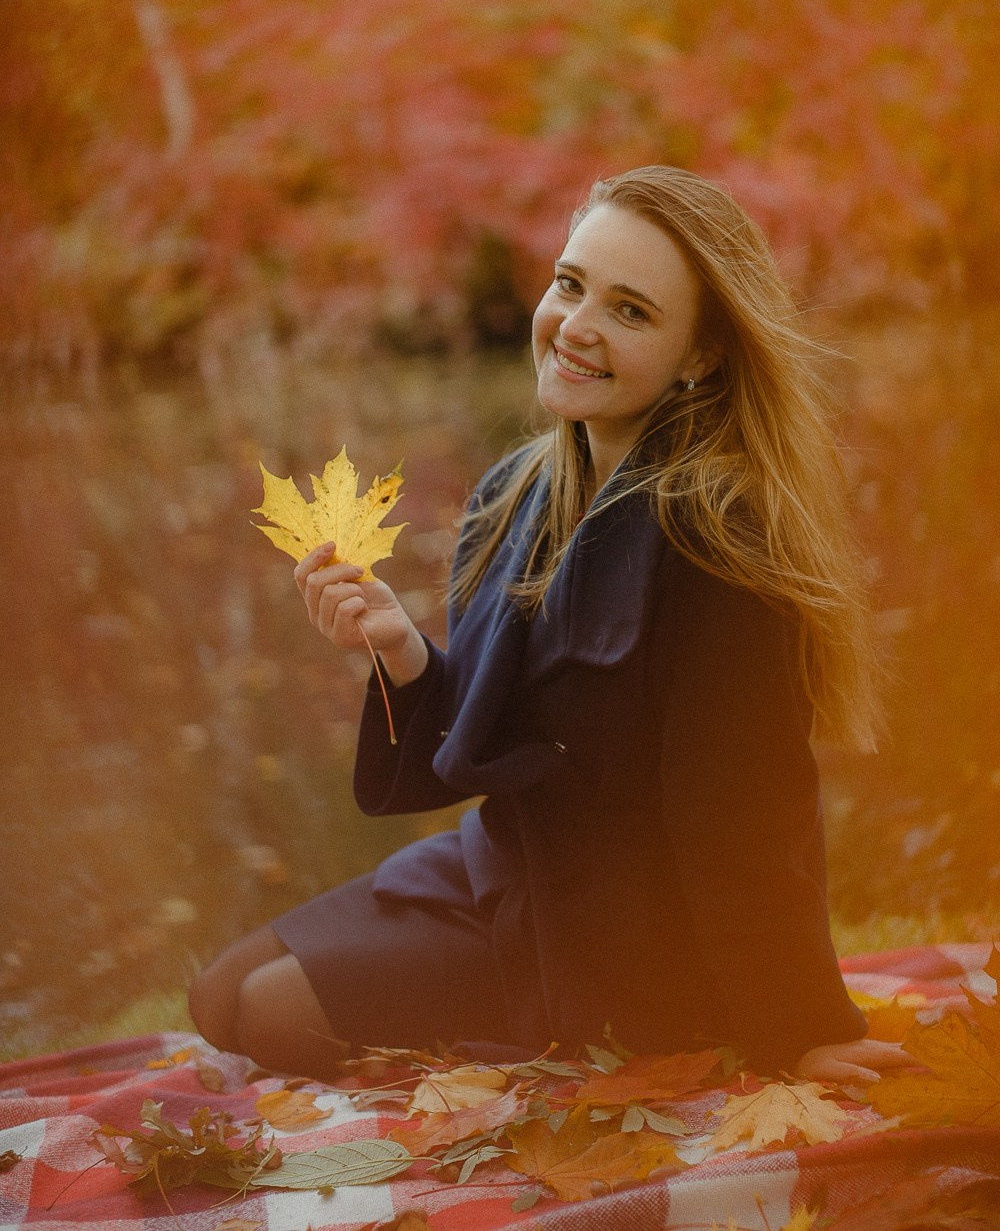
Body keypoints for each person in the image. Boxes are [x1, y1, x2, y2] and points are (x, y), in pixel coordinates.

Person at [189, 165, 905, 1087]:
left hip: (630, 941)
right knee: (220, 994)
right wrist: (403, 654)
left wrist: (799, 1025)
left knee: (269, 1014)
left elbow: (743, 817)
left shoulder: (716, 541)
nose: (577, 326)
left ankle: (552, 1058)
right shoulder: (514, 490)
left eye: (632, 311)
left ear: (701, 355)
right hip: (510, 873)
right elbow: (499, 731)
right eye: (571, 285)